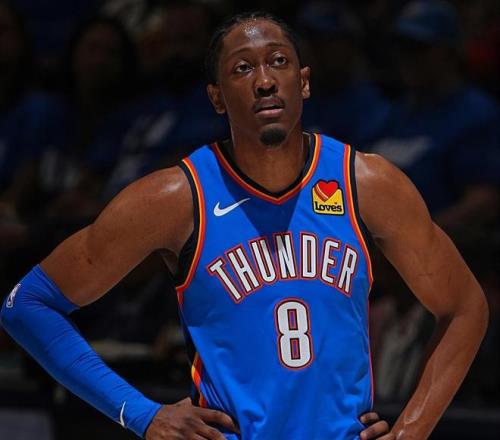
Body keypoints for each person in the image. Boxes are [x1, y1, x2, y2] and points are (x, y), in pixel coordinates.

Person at [0, 11, 488, 440]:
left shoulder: (367, 183)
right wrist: (141, 414)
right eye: (242, 68)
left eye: (279, 61)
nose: (265, 80)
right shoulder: (177, 197)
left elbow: (465, 307)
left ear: (304, 82)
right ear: (216, 97)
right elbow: (27, 305)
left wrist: (411, 430)